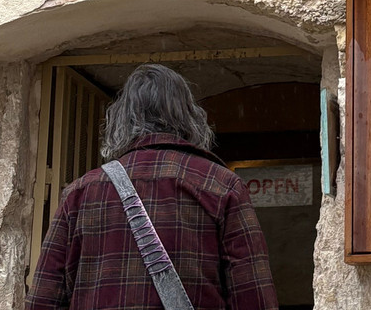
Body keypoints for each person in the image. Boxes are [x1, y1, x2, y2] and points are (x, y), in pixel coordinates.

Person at [26, 64, 279, 310]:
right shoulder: (222, 186)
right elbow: (253, 297)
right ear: (190, 117)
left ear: (121, 120)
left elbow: (44, 299)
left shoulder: (80, 193)